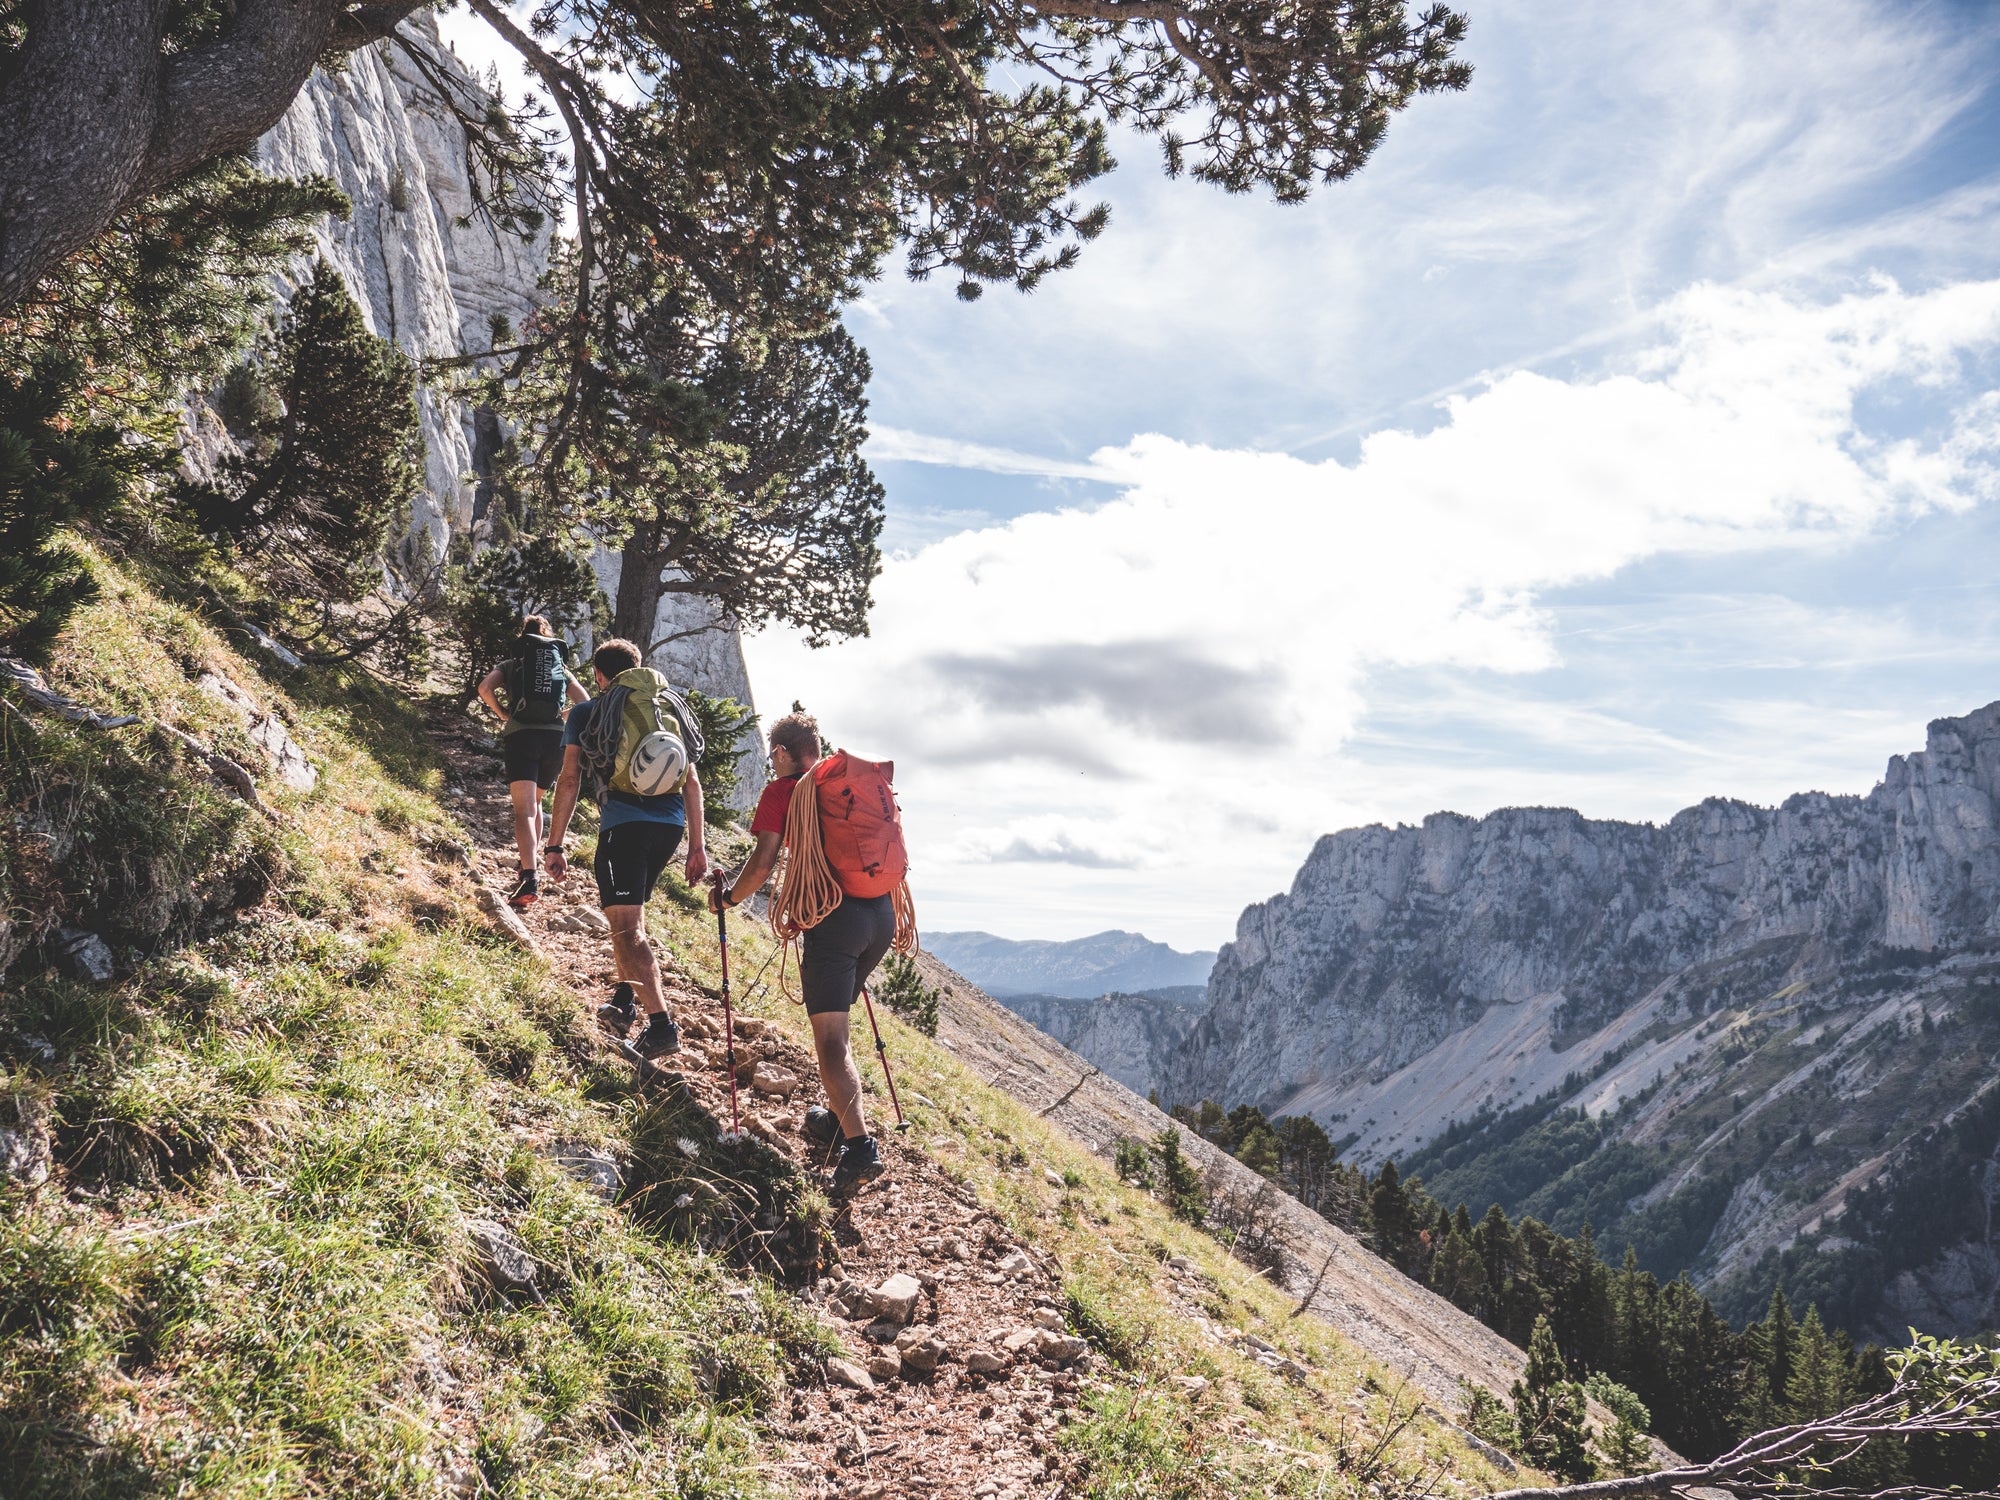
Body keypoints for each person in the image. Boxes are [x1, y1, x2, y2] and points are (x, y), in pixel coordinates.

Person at [708, 711, 890, 1193]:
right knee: (840, 1026)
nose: (771, 764)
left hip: (835, 921)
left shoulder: (784, 791)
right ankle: (836, 1118)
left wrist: (727, 899)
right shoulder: (842, 789)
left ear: (785, 753)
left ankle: (859, 1149)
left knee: (831, 1041)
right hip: (881, 917)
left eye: (773, 756)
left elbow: (763, 862)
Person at [542, 638, 709, 1059]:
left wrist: (555, 843)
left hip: (624, 827)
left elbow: (569, 779)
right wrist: (697, 846)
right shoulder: (664, 709)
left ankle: (660, 1025)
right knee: (629, 915)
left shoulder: (588, 711)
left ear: (600, 676)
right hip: (669, 829)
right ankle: (623, 1000)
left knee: (627, 926)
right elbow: (691, 781)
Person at [476, 614, 589, 907]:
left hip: (521, 736)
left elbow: (484, 689)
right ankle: (532, 865)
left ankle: (529, 875)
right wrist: (560, 716)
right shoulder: (559, 668)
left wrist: (503, 713)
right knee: (537, 802)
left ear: (522, 638)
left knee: (524, 808)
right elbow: (586, 704)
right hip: (555, 741)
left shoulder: (513, 665)